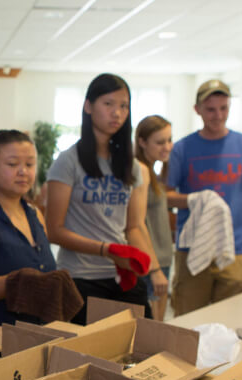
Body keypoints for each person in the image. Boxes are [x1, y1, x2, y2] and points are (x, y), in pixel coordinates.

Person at [46, 73, 153, 324]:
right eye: (108, 104)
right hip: (81, 278)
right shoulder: (68, 161)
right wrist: (107, 250)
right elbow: (54, 231)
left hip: (122, 275)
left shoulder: (131, 166)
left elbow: (134, 226)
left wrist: (151, 268)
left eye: (123, 106)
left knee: (140, 349)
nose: (117, 112)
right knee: (91, 356)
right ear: (88, 106)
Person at [167, 79, 242, 316]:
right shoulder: (182, 149)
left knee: (232, 319)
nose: (218, 115)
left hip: (236, 247)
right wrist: (197, 199)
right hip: (191, 246)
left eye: (224, 108)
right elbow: (166, 196)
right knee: (188, 319)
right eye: (211, 109)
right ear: (197, 110)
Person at [0, 130, 58, 325]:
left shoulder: (35, 213)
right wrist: (19, 282)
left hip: (41, 328)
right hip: (0, 332)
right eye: (12, 164)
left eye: (29, 164)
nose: (23, 171)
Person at [134, 115, 174, 321]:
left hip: (162, 258)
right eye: (160, 142)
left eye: (169, 140)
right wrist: (155, 269)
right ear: (142, 142)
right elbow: (137, 225)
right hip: (151, 261)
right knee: (153, 328)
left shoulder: (155, 172)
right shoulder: (140, 174)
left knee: (159, 324)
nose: (167, 146)